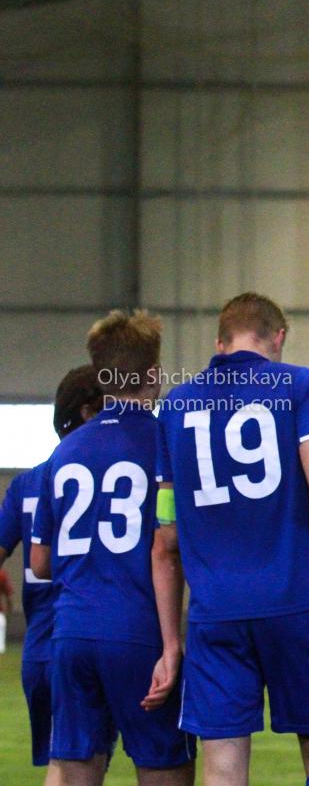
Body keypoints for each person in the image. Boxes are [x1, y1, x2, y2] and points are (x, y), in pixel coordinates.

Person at [148, 293, 309, 786]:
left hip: (215, 612)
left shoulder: (175, 405)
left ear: (219, 343)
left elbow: (166, 530)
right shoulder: (301, 385)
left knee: (222, 770)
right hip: (296, 602)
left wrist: (171, 642)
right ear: (278, 337)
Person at [29, 311, 196, 786]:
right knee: (163, 766)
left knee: (74, 768)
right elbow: (171, 544)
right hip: (139, 631)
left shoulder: (64, 452)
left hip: (71, 633)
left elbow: (40, 562)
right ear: (154, 375)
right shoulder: (166, 441)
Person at [0, 365, 104, 782]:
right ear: (88, 412)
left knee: (69, 766)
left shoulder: (27, 483)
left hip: (42, 650)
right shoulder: (115, 475)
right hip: (97, 635)